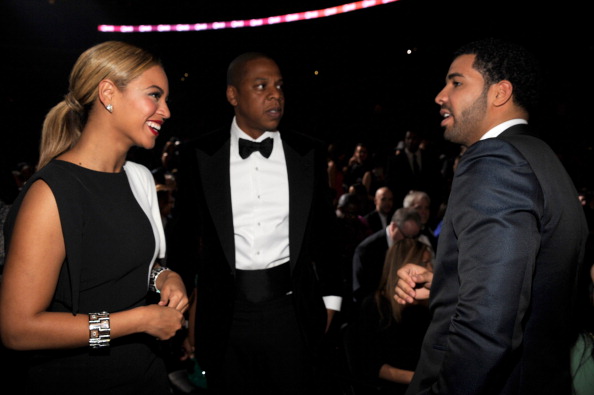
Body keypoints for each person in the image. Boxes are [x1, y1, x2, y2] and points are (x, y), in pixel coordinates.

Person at [394, 38, 589, 394]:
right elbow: (524, 282)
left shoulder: (494, 161)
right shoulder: (539, 155)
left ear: (500, 93)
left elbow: (489, 323)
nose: (440, 95)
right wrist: (446, 282)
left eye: (456, 82)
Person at [0, 41, 189, 394]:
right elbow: (17, 329)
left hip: (146, 375)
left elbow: (116, 264)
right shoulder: (51, 194)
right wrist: (137, 321)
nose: (165, 110)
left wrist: (164, 276)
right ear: (108, 93)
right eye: (154, 95)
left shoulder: (139, 178)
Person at [175, 52, 342, 394]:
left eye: (279, 85)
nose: (275, 94)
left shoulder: (307, 151)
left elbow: (326, 234)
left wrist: (331, 303)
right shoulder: (200, 154)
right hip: (224, 315)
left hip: (293, 311)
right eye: (261, 85)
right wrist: (182, 313)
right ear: (233, 95)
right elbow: (184, 237)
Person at [351, 238, 433, 394]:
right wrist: (420, 378)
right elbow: (373, 366)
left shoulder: (425, 305)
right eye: (425, 263)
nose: (430, 269)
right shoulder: (375, 307)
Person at [353, 207, 422, 306]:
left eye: (414, 237)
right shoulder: (367, 250)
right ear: (393, 227)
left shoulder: (411, 246)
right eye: (407, 237)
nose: (410, 243)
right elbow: (360, 291)